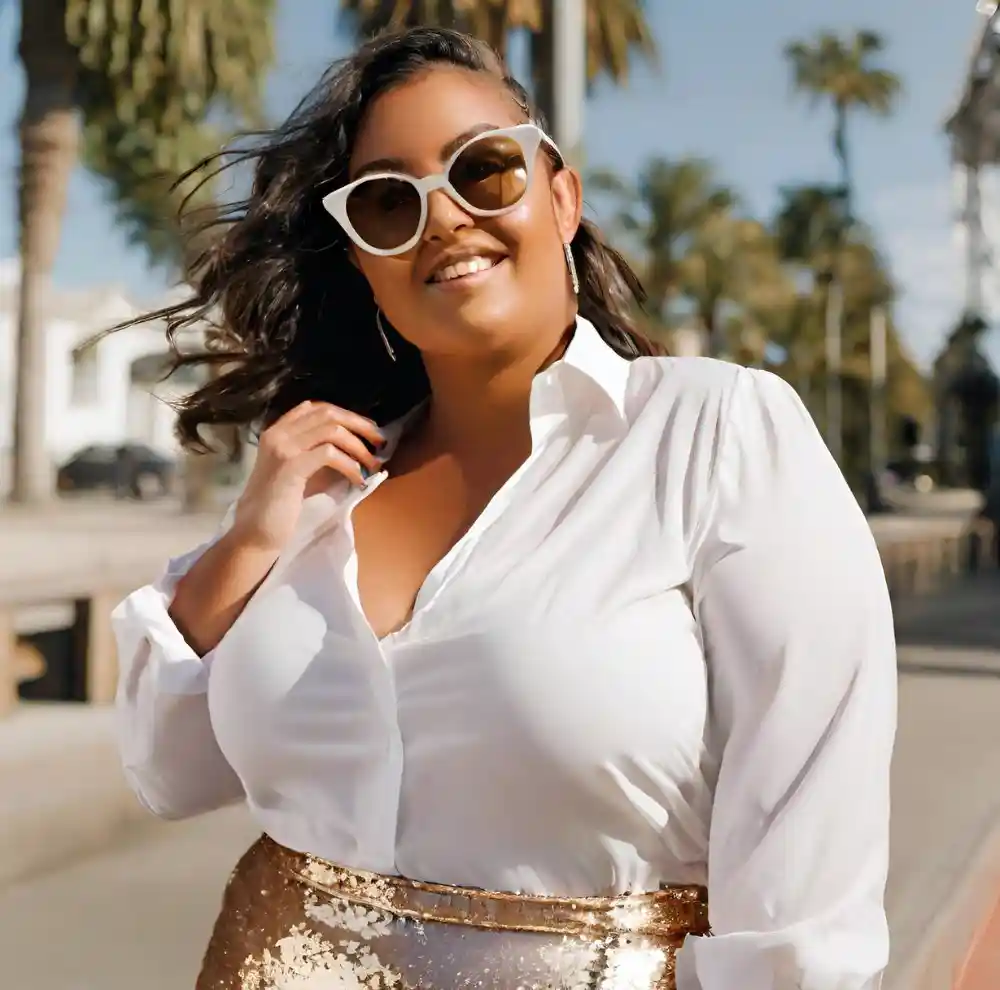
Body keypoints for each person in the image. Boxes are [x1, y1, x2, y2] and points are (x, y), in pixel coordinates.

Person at [110, 27, 896, 990]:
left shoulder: (716, 432)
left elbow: (809, 865)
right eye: (389, 202)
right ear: (363, 258)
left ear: (560, 196)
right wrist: (250, 540)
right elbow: (169, 775)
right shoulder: (321, 492)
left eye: (482, 171)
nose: (441, 219)